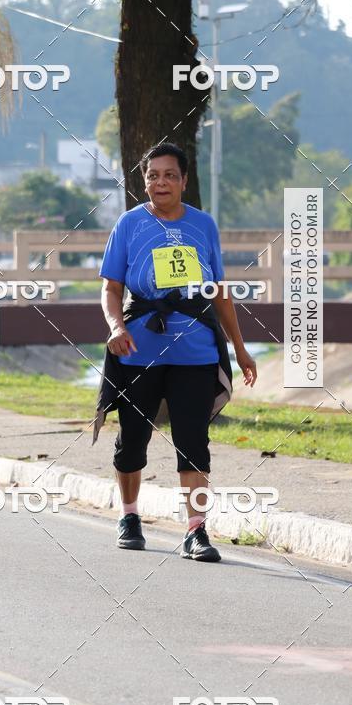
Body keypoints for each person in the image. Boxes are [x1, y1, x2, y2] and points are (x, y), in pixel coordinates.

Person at [96, 141, 257, 562]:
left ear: (184, 181)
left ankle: (196, 530)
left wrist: (240, 350)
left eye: (170, 175)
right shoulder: (129, 224)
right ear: (144, 181)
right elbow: (111, 289)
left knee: (194, 443)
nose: (161, 182)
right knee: (132, 441)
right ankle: (129, 517)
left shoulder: (203, 225)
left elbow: (219, 292)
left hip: (195, 352)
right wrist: (116, 327)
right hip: (138, 350)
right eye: (153, 176)